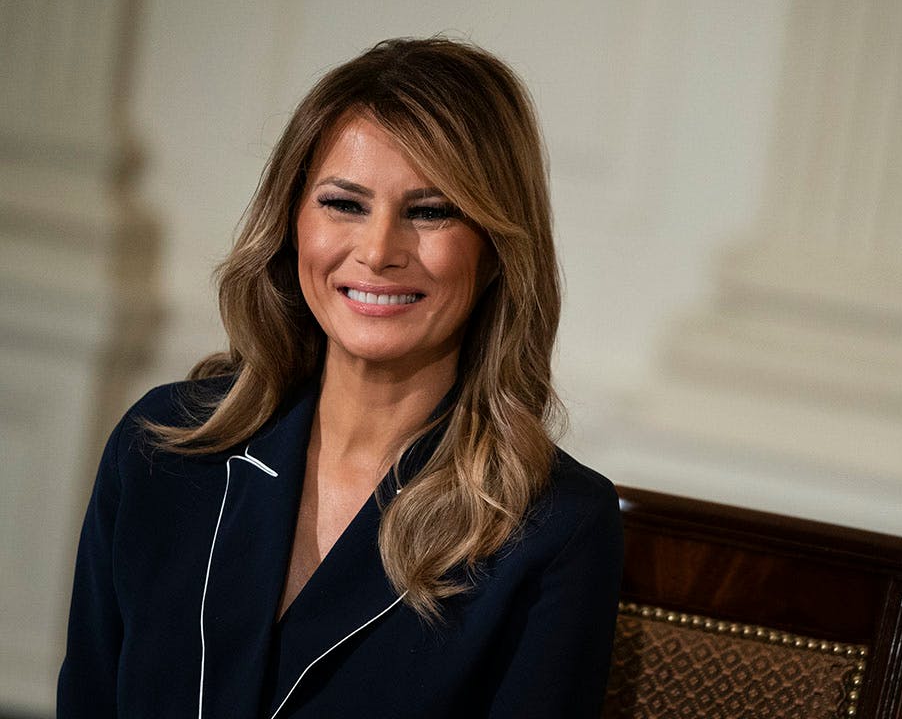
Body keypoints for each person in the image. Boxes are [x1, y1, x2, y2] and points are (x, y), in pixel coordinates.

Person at [58, 38, 624, 718]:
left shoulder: (553, 529)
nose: (380, 250)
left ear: (498, 249)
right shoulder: (163, 449)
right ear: (292, 221)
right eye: (344, 204)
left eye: (431, 210)